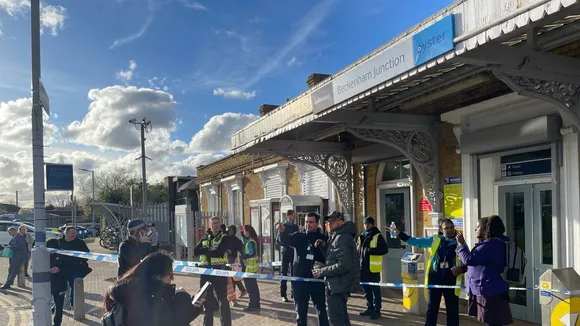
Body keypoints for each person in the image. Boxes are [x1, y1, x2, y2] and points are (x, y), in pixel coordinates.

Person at [391, 218, 466, 326]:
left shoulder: (460, 241)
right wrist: (400, 234)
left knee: (452, 311)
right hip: (435, 278)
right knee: (432, 309)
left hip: (452, 280)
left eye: (451, 227)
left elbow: (467, 260)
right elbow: (417, 242)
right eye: (446, 228)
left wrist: (461, 269)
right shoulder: (435, 240)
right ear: (441, 229)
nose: (450, 230)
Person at [103, 251, 205, 326]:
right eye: (170, 274)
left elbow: (175, 319)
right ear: (156, 276)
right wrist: (182, 297)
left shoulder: (130, 291)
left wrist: (192, 308)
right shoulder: (151, 302)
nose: (173, 278)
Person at [456, 215, 513, 326]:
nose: (475, 230)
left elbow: (469, 259)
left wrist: (462, 244)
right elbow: (477, 261)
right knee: (492, 322)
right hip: (489, 289)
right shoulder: (492, 244)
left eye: (478, 227)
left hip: (490, 291)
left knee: (492, 322)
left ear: (486, 229)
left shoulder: (490, 245)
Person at [279, 212, 328, 326]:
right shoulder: (299, 236)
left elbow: (330, 256)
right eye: (306, 222)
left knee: (321, 310)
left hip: (316, 279)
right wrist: (282, 232)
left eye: (311, 222)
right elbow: (284, 241)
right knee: (301, 312)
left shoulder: (323, 238)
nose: (308, 224)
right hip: (300, 280)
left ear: (317, 223)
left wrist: (324, 262)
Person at [312, 211, 359, 326]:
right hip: (337, 285)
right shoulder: (337, 236)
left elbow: (343, 265)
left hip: (338, 286)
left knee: (336, 320)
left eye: (332, 221)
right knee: (342, 318)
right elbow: (333, 258)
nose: (329, 224)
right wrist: (324, 246)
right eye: (328, 221)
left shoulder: (342, 238)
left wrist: (321, 271)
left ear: (341, 222)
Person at [193, 216, 231, 326]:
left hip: (219, 271)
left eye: (217, 223)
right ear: (210, 225)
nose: (216, 225)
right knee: (207, 300)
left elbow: (219, 252)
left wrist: (205, 250)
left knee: (223, 300)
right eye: (213, 223)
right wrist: (209, 250)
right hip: (206, 272)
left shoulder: (224, 237)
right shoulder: (205, 236)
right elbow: (196, 250)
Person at [357, 217, 388, 320]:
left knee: (375, 290)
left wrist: (371, 250)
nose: (366, 226)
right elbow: (358, 250)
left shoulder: (377, 235)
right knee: (366, 290)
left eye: (368, 224)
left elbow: (384, 249)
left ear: (372, 225)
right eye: (365, 224)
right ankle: (369, 307)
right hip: (363, 267)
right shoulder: (361, 235)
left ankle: (377, 310)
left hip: (373, 268)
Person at [58, 226, 92, 308]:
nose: (74, 234)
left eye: (75, 233)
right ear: (66, 233)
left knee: (75, 287)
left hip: (75, 269)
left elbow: (87, 254)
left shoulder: (80, 242)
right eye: (72, 233)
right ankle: (58, 305)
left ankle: (74, 305)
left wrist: (80, 261)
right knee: (60, 288)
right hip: (61, 269)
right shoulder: (59, 242)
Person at [276, 209, 299, 302]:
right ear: (288, 216)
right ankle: (283, 294)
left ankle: (294, 292)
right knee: (284, 273)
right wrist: (286, 244)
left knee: (294, 272)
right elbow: (278, 240)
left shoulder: (295, 226)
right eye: (293, 215)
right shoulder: (283, 226)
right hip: (285, 252)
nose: (295, 217)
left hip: (294, 252)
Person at [46, 238, 68, 326]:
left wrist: (59, 269)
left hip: (60, 283)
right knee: (47, 304)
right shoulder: (43, 255)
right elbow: (34, 267)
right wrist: (47, 269)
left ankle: (57, 323)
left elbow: (69, 267)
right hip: (47, 284)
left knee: (59, 306)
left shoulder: (63, 254)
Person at [240, 225, 261, 312]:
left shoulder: (251, 241)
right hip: (250, 267)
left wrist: (244, 256)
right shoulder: (250, 240)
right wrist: (242, 232)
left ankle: (252, 305)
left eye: (245, 231)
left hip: (249, 267)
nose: (244, 233)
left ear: (249, 232)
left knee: (250, 288)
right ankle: (256, 304)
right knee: (254, 287)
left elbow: (252, 253)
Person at [226, 225, 247, 298]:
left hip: (233, 261)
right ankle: (242, 290)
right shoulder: (227, 239)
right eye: (228, 230)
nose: (228, 231)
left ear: (234, 231)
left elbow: (241, 251)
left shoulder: (236, 241)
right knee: (232, 278)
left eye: (230, 230)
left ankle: (233, 296)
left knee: (232, 278)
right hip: (229, 260)